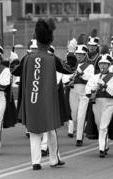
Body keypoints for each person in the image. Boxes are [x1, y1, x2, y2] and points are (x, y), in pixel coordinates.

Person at [12, 18, 77, 170]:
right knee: (51, 130)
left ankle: (36, 162)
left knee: (34, 131)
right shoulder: (52, 58)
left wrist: (13, 60)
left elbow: (14, 71)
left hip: (32, 101)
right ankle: (54, 159)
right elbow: (70, 69)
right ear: (49, 42)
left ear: (37, 39)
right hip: (47, 101)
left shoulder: (27, 58)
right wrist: (71, 53)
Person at [85, 54, 113, 158]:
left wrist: (105, 85)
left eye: (105, 64)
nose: (102, 66)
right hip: (97, 103)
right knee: (99, 125)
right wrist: (93, 89)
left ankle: (101, 149)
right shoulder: (94, 77)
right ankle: (105, 144)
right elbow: (87, 90)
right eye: (101, 64)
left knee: (104, 126)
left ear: (108, 65)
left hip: (108, 103)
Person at [67, 44, 94, 146]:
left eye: (81, 54)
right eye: (77, 54)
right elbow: (65, 78)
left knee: (81, 115)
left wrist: (80, 73)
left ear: (85, 55)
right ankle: (75, 130)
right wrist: (69, 80)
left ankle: (79, 138)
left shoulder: (89, 66)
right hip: (73, 91)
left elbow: (89, 78)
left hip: (83, 91)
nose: (79, 56)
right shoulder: (71, 65)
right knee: (74, 116)